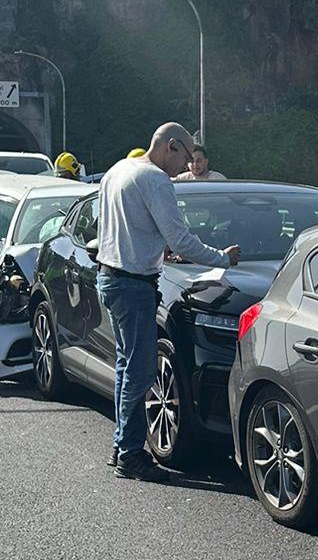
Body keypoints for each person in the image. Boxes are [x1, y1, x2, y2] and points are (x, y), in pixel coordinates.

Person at [94, 121, 240, 480]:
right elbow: (181, 237)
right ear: (171, 146)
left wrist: (161, 250)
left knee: (126, 368)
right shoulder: (155, 179)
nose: (187, 167)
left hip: (110, 277)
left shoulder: (118, 170)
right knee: (140, 373)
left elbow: (128, 228)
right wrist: (223, 258)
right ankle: (130, 455)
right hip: (133, 285)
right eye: (186, 157)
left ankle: (121, 447)